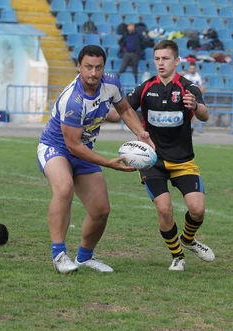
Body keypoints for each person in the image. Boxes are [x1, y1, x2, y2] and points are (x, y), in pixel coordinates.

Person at [37, 44, 155, 274]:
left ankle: (84, 258)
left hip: (84, 148)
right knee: (64, 189)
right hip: (57, 148)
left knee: (101, 209)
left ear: (103, 67)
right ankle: (59, 255)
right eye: (88, 67)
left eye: (98, 67)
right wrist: (107, 162)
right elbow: (72, 145)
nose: (93, 73)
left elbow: (125, 110)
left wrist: (140, 133)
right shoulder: (72, 99)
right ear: (78, 66)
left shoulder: (111, 84)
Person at [123, 40, 214, 272]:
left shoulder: (188, 88)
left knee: (198, 210)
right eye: (157, 59)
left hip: (183, 160)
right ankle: (177, 255)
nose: (160, 63)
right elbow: (123, 109)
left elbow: (204, 115)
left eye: (165, 59)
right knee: (164, 208)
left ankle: (188, 239)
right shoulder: (146, 88)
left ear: (176, 61)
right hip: (152, 160)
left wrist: (195, 106)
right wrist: (136, 131)